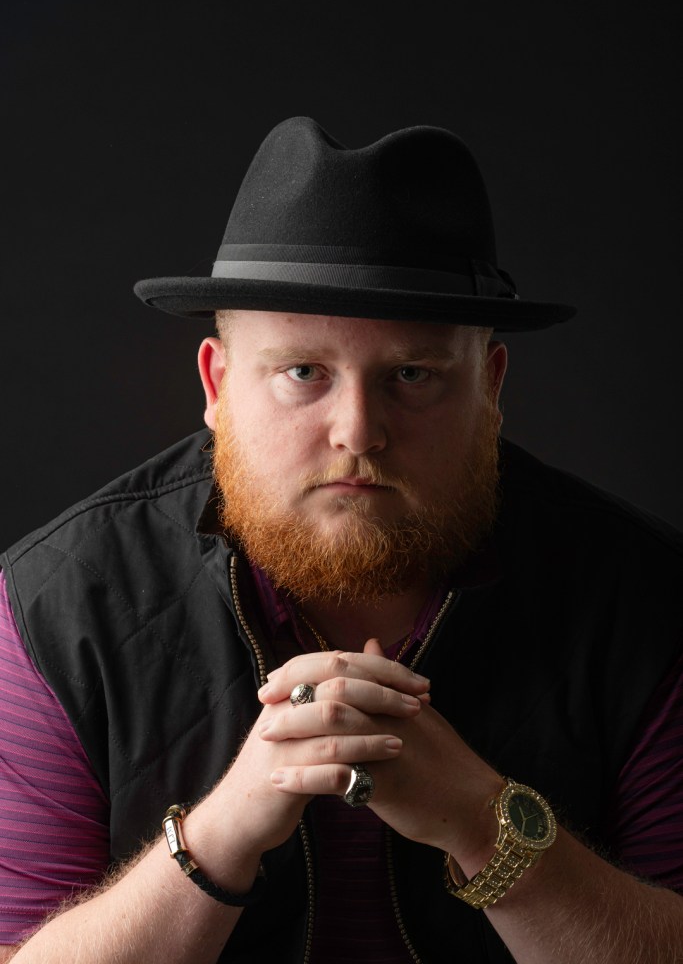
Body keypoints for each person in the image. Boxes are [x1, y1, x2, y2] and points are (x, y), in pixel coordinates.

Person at [0, 116, 681, 964]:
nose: (358, 431)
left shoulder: (647, 600)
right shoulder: (57, 603)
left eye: (411, 375)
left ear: (491, 385)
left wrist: (481, 823)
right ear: (216, 383)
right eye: (302, 372)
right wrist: (224, 830)